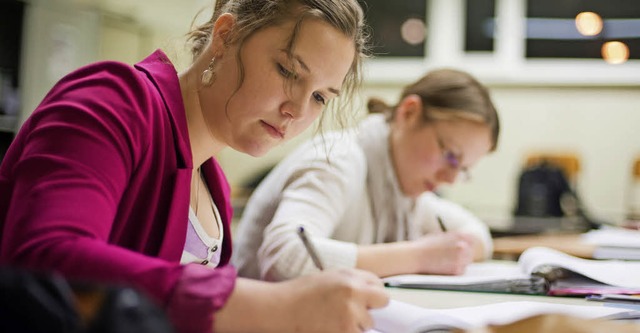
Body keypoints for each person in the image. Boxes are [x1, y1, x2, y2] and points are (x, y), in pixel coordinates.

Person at [0, 0, 390, 332]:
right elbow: (44, 260)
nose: (298, 111)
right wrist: (273, 305)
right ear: (225, 36)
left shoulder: (212, 182)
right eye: (288, 71)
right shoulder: (114, 100)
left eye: (321, 97)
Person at [233, 68, 501, 281]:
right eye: (450, 155)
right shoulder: (338, 160)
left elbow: (478, 236)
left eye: (463, 170)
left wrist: (449, 252)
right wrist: (419, 256)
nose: (451, 178)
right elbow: (285, 258)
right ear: (408, 113)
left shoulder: (401, 190)